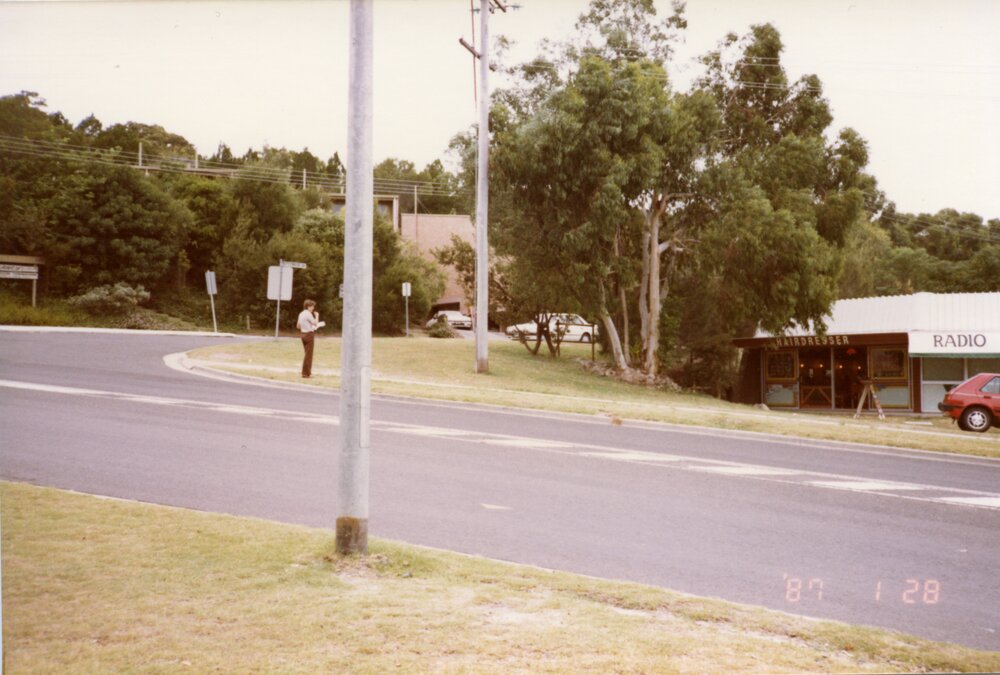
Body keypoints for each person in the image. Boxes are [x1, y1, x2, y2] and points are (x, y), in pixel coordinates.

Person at [296, 299, 321, 378]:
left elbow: (298, 326)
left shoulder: (301, 314)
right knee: (308, 355)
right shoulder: (308, 314)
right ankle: (306, 373)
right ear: (308, 306)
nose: (313, 308)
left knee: (307, 354)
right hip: (309, 334)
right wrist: (317, 315)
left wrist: (305, 326)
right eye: (312, 306)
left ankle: (306, 372)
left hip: (303, 334)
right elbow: (315, 323)